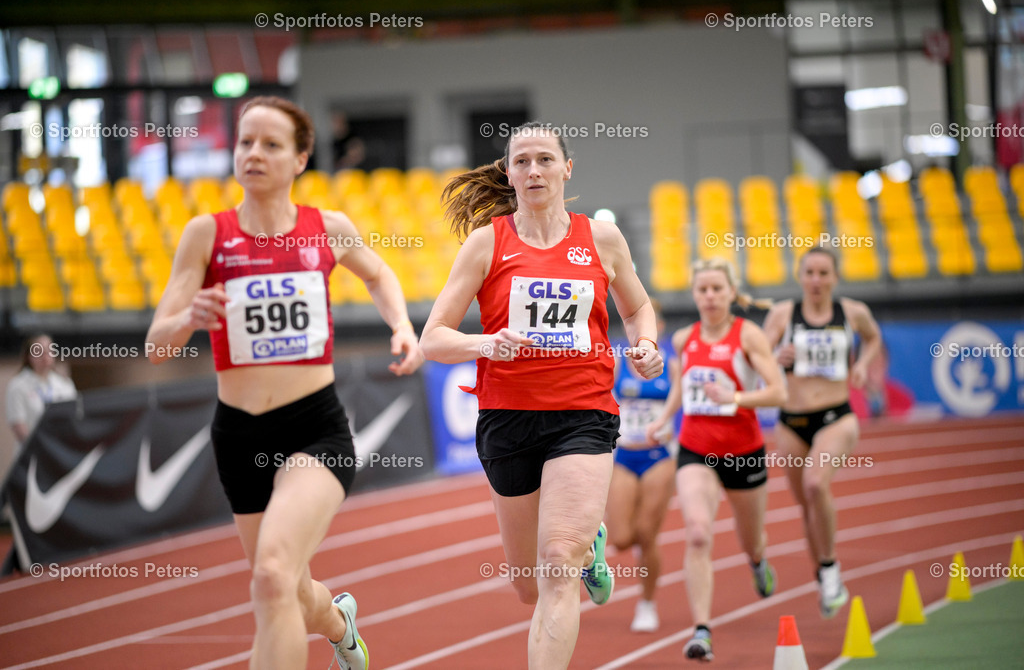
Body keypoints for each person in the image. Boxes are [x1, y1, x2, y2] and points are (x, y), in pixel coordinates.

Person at [146, 96, 422, 670]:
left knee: (270, 575)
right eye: (245, 141)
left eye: (271, 145)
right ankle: (341, 624)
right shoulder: (206, 236)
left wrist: (401, 326)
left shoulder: (326, 228)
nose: (253, 154)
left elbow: (379, 272)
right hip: (238, 435)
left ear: (300, 159)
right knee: (287, 588)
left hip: (312, 430)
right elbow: (156, 347)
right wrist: (187, 318)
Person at [419, 122, 663, 669]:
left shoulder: (601, 238)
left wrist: (645, 345)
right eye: (522, 161)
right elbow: (432, 338)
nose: (534, 170)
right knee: (528, 586)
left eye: (545, 160)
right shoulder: (488, 242)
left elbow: (637, 308)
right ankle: (590, 541)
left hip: (584, 412)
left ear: (567, 168)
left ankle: (577, 545)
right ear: (508, 172)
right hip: (507, 418)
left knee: (557, 562)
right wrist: (487, 342)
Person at [646, 257, 786, 662]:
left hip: (744, 453)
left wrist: (737, 398)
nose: (709, 296)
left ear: (730, 293)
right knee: (698, 533)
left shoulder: (749, 336)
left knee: (751, 538)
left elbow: (778, 392)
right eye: (702, 289)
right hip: (696, 449)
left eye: (716, 289)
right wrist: (663, 418)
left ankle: (758, 562)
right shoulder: (683, 339)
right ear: (694, 294)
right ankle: (702, 630)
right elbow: (680, 385)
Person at [762, 245, 881, 619]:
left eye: (823, 273)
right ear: (800, 276)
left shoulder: (853, 312)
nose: (816, 280)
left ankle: (830, 569)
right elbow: (755, 357)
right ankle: (823, 575)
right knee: (806, 505)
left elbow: (874, 338)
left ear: (835, 277)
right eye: (809, 272)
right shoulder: (784, 313)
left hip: (836, 416)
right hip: (792, 422)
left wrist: (861, 364)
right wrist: (775, 359)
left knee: (816, 484)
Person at [604, 299, 676, 633]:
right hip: (626, 454)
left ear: (658, 327)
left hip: (659, 456)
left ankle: (647, 604)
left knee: (647, 534)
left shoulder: (672, 366)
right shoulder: (618, 362)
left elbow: (685, 405)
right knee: (619, 539)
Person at [5, 334, 78, 447]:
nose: (45, 356)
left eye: (49, 351)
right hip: (33, 451)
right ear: (29, 356)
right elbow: (18, 425)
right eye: (39, 352)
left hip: (62, 450)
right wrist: (43, 448)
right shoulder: (17, 386)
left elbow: (74, 418)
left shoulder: (65, 384)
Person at [849, 339, 914, 419]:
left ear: (886, 361)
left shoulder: (902, 398)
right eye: (870, 359)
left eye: (880, 357)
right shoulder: (847, 400)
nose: (875, 364)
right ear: (857, 364)